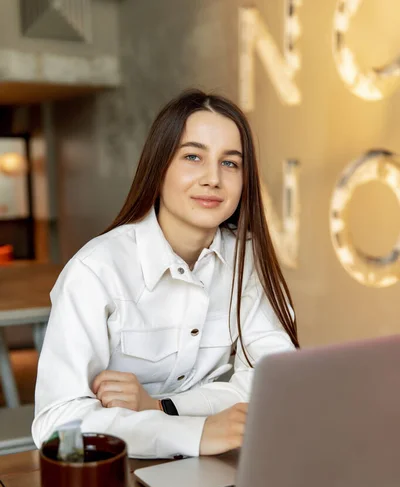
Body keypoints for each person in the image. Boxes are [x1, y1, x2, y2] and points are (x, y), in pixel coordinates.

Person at [32, 89, 299, 459]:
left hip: (224, 460)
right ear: (159, 169)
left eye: (230, 163)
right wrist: (194, 433)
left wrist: (163, 407)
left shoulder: (247, 258)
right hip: (120, 474)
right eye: (193, 156)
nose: (213, 179)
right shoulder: (95, 270)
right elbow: (60, 423)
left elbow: (277, 382)